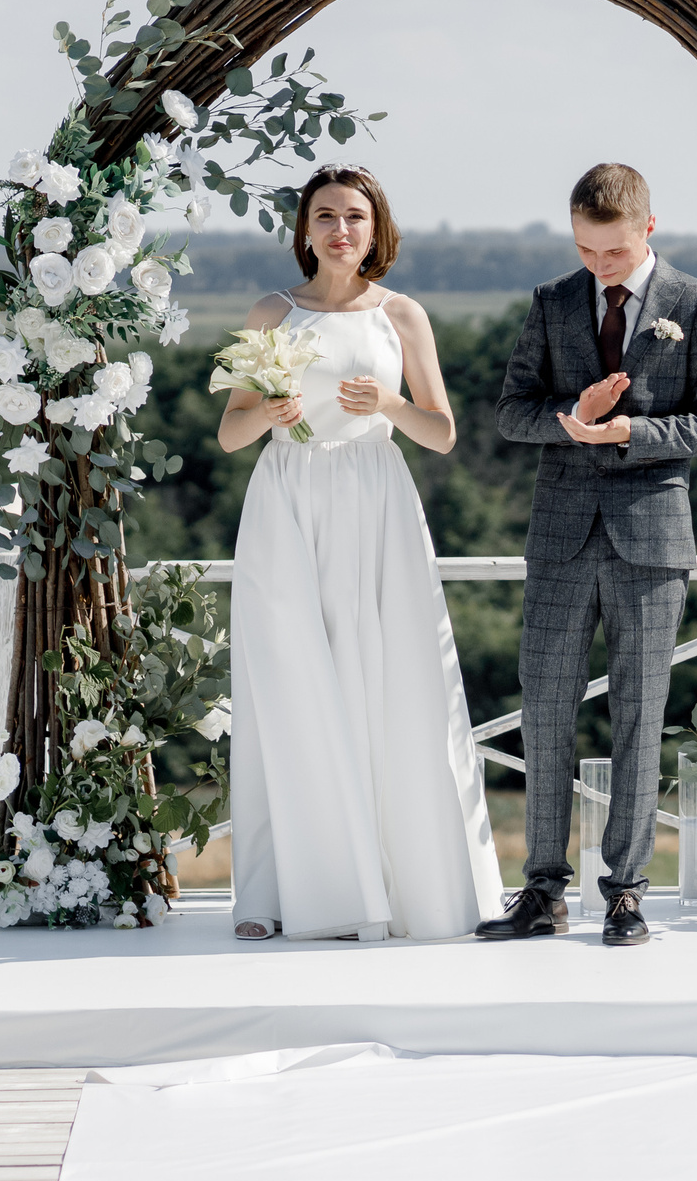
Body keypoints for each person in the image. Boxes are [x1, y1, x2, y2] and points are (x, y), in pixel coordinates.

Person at [217, 166, 506, 942]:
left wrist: (389, 404)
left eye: (355, 216)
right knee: (290, 687)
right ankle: (276, 894)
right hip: (289, 503)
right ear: (304, 229)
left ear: (377, 229)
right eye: (325, 216)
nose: (341, 230)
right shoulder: (269, 311)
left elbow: (441, 433)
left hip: (376, 505)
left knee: (389, 684)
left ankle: (399, 883)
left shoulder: (403, 316)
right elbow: (230, 432)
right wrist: (269, 411)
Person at [479, 164, 697, 948]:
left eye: (615, 251)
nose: (600, 266)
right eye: (587, 250)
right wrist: (571, 415)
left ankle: (625, 893)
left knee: (638, 712)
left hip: (653, 537)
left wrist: (634, 432)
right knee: (547, 710)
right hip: (560, 537)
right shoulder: (552, 302)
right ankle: (542, 891)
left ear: (649, 228)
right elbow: (509, 412)